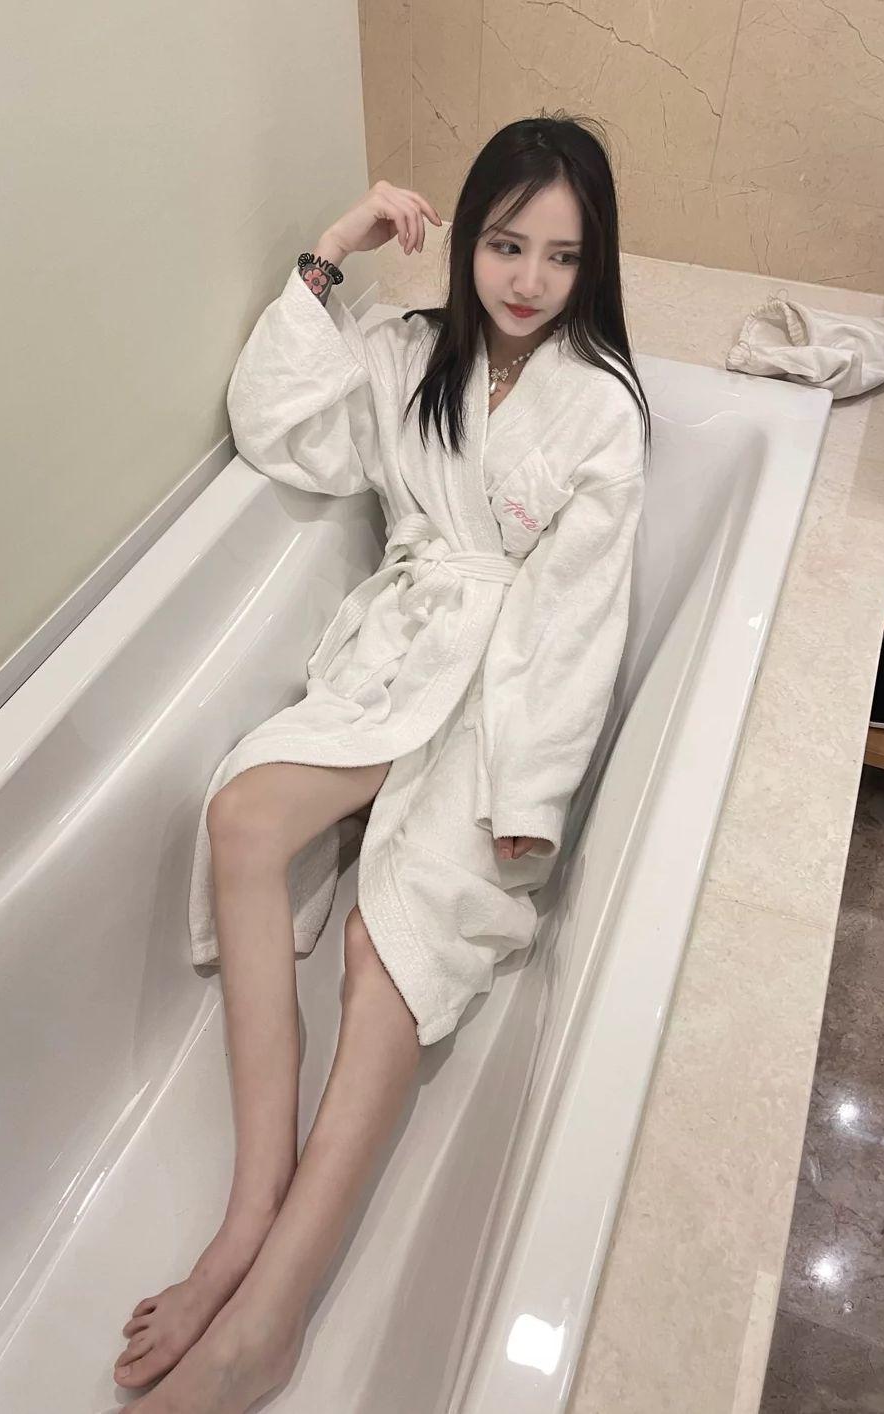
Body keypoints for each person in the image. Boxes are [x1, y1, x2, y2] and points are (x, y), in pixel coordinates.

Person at [112, 109, 650, 1413]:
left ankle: (269, 1316)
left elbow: (575, 625)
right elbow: (278, 425)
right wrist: (333, 248)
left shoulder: (600, 411)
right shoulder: (410, 353)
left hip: (503, 698)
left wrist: (527, 801)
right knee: (243, 817)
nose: (528, 280)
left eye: (561, 257)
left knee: (386, 942)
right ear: (467, 240)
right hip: (402, 660)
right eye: (506, 244)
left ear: (594, 267)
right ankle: (249, 1212)